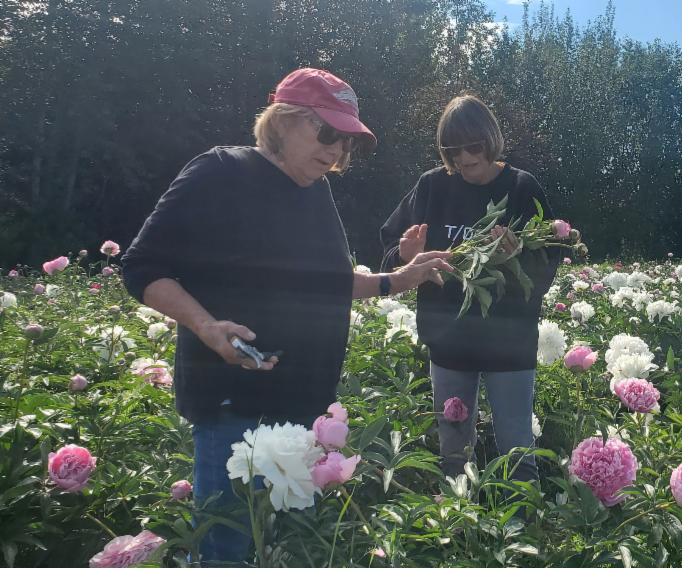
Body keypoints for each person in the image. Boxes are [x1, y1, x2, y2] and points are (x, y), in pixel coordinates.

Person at [121, 68, 452, 565]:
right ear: (282, 121)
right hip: (235, 403)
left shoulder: (315, 191)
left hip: (303, 404)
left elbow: (329, 283)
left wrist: (399, 279)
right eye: (327, 133)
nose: (337, 151)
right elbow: (142, 268)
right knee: (227, 544)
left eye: (347, 143)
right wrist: (206, 326)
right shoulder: (219, 172)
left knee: (287, 546)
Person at [380, 94, 562, 487]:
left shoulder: (520, 187)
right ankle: (459, 532)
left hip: (507, 342)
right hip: (449, 341)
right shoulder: (432, 186)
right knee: (453, 449)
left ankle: (519, 529)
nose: (463, 157)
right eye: (452, 149)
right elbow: (392, 249)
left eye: (473, 147)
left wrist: (517, 256)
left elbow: (548, 260)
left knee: (516, 450)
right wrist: (406, 254)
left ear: (491, 140)